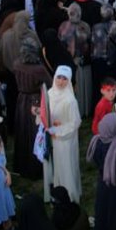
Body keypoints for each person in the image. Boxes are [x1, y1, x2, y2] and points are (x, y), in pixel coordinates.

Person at [40, 65, 82, 203]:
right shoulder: (49, 94)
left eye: (65, 79)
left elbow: (74, 123)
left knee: (65, 167)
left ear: (69, 81)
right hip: (50, 138)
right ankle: (54, 194)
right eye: (59, 77)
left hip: (64, 141)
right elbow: (45, 113)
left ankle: (68, 196)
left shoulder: (70, 100)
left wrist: (58, 131)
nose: (61, 81)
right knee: (52, 166)